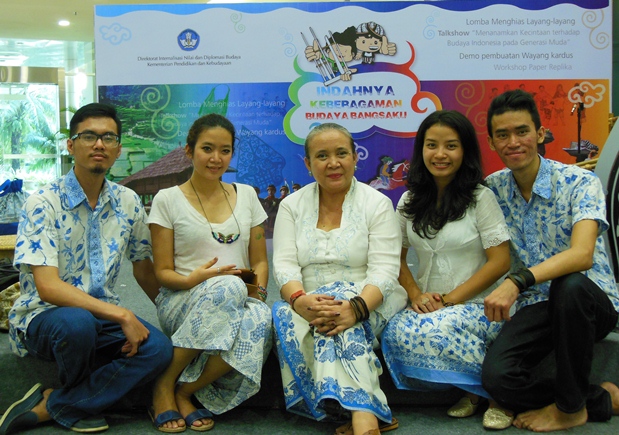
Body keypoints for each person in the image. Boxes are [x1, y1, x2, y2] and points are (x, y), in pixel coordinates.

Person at [0, 103, 173, 434]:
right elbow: (48, 287)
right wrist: (123, 314)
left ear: (118, 149)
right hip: (45, 318)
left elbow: (143, 268)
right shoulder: (43, 202)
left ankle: (57, 403)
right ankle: (82, 401)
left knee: (159, 348)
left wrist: (171, 316)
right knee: (77, 323)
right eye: (89, 136)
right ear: (71, 145)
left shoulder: (128, 202)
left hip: (101, 318)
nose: (99, 144)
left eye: (109, 138)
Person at [481, 89, 619, 432]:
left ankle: (570, 409)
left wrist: (517, 281)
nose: (514, 142)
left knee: (569, 286)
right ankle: (598, 398)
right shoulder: (492, 189)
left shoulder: (579, 181)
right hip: (537, 305)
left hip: (589, 302)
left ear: (540, 134)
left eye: (522, 131)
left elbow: (582, 255)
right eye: (503, 135)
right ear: (492, 143)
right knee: (498, 378)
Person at [271, 123, 407, 435]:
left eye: (341, 153)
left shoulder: (376, 203)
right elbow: (285, 266)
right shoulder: (291, 206)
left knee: (339, 313)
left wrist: (356, 307)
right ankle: (367, 412)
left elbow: (385, 271)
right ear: (308, 164)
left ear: (355, 158)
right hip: (309, 303)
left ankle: (360, 416)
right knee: (304, 315)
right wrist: (299, 301)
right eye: (322, 156)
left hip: (372, 298)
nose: (333, 163)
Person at [380, 110, 511, 427]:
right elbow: (394, 257)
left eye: (451, 146)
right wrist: (415, 294)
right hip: (429, 302)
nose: (440, 154)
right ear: (421, 150)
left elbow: (501, 261)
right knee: (394, 331)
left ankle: (500, 397)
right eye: (432, 145)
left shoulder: (481, 198)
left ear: (465, 151)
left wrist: (450, 300)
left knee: (440, 327)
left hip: (480, 303)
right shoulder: (409, 200)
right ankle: (474, 390)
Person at [148, 113, 272, 432]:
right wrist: (195, 279)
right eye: (207, 148)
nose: (216, 158)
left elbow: (260, 261)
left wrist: (257, 291)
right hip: (182, 298)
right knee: (227, 287)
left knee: (261, 318)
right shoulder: (167, 200)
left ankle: (184, 391)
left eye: (225, 150)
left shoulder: (247, 195)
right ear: (189, 151)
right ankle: (164, 383)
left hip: (238, 296)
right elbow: (162, 272)